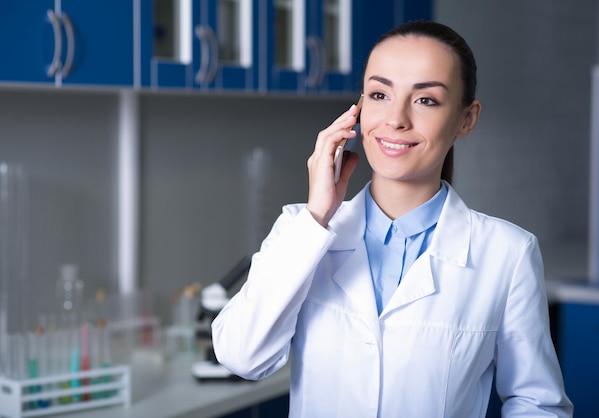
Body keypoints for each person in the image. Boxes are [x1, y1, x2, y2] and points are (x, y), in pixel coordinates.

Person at [212, 19, 573, 417]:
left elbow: (538, 403)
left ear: (467, 118)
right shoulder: (303, 230)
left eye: (426, 100)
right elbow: (242, 358)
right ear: (358, 109)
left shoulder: (508, 253)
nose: (396, 118)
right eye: (380, 94)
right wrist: (318, 215)